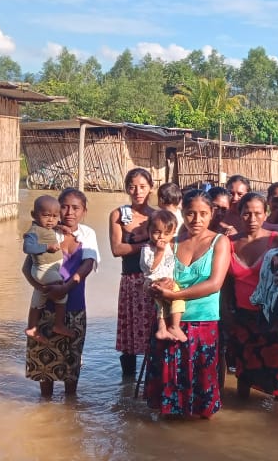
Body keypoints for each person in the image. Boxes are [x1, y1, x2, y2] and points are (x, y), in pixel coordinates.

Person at [145, 189, 230, 419]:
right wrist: (155, 286)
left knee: (202, 382)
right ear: (182, 213)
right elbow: (155, 273)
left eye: (203, 213)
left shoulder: (220, 242)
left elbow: (214, 284)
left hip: (203, 322)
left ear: (212, 213)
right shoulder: (171, 242)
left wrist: (174, 296)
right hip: (171, 323)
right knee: (169, 382)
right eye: (191, 213)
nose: (197, 220)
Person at [25, 188, 99, 397]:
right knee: (43, 369)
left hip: (74, 307)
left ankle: (69, 415)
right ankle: (46, 414)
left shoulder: (87, 234)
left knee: (71, 367)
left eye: (75, 208)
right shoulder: (45, 231)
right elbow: (27, 266)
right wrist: (42, 289)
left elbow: (87, 265)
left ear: (84, 211)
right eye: (64, 206)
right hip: (44, 308)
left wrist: (65, 288)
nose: (69, 212)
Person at [225, 192, 278, 399]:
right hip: (242, 316)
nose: (252, 219)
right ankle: (242, 419)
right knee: (243, 373)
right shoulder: (228, 243)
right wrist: (227, 311)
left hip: (271, 317)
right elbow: (225, 283)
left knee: (277, 371)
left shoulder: (276, 240)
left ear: (265, 214)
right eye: (246, 214)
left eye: (257, 213)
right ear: (239, 213)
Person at [110, 168, 156, 376]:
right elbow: (117, 249)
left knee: (153, 334)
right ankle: (126, 387)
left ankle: (152, 382)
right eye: (132, 187)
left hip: (153, 280)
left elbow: (169, 246)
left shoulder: (157, 216)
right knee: (129, 338)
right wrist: (149, 244)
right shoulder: (119, 215)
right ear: (127, 189)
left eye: (143, 187)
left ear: (151, 188)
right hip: (130, 280)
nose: (138, 191)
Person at [23, 195, 75, 344]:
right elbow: (27, 247)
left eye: (54, 216)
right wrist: (47, 247)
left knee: (38, 299)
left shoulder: (48, 226)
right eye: (46, 216)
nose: (51, 220)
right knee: (61, 289)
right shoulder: (33, 231)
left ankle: (32, 328)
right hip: (43, 269)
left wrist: (61, 226)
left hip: (44, 270)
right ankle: (58, 325)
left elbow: (53, 225)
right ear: (34, 215)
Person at [141, 210, 187, 342]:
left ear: (173, 234)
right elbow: (151, 267)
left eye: (166, 234)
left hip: (166, 280)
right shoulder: (148, 248)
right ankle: (175, 326)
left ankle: (162, 329)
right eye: (156, 232)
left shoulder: (170, 245)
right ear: (148, 231)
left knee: (162, 306)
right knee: (179, 299)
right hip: (156, 280)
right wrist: (159, 252)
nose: (161, 237)